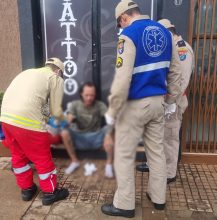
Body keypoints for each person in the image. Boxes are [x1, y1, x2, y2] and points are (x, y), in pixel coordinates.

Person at [101, 1, 182, 218]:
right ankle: (158, 199)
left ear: (124, 18)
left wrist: (112, 110)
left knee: (124, 154)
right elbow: (175, 72)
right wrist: (171, 100)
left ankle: (125, 205)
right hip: (158, 103)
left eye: (120, 23)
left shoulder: (128, 35)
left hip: (135, 105)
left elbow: (122, 79)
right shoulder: (166, 34)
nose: (120, 27)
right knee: (156, 152)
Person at [0, 57, 69, 205]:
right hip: (27, 123)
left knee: (18, 156)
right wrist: (66, 122)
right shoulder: (55, 77)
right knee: (42, 158)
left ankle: (27, 190)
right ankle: (50, 193)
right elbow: (56, 111)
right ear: (58, 71)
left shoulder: (27, 73)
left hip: (6, 119)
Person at [136, 19, 194, 184]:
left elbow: (181, 80)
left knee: (169, 137)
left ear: (169, 32)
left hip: (173, 102)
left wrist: (170, 101)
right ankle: (152, 164)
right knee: (155, 135)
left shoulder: (181, 49)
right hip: (159, 100)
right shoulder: (168, 47)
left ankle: (169, 172)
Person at [60, 82, 115, 178]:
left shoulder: (99, 105)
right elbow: (69, 116)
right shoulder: (75, 104)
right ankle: (74, 161)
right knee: (64, 132)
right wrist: (69, 119)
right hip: (79, 138)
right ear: (81, 94)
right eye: (86, 95)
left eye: (92, 95)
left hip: (96, 137)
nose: (89, 98)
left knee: (110, 130)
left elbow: (110, 119)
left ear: (95, 95)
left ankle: (109, 164)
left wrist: (108, 134)